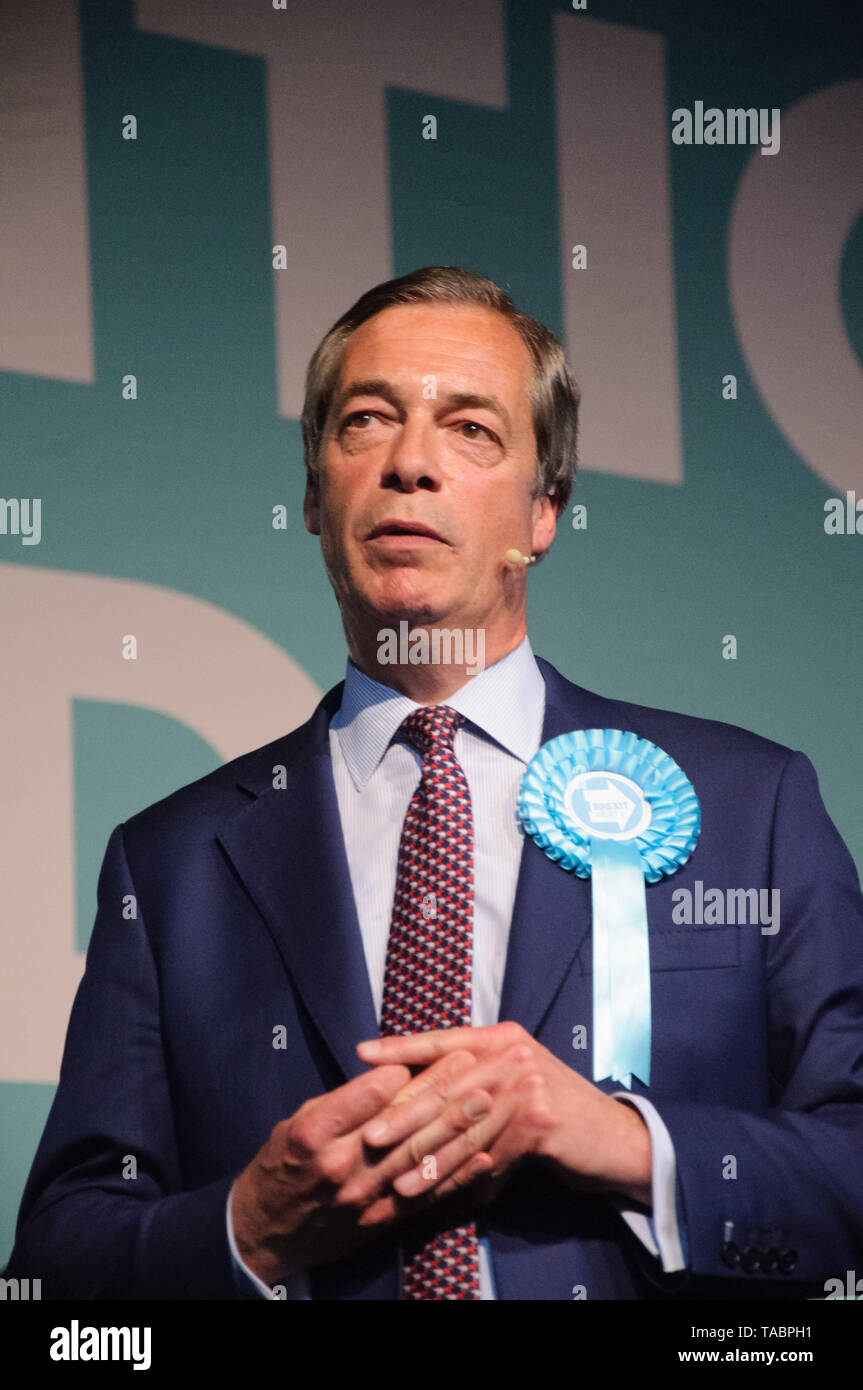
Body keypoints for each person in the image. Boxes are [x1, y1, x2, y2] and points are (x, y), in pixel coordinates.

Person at [7, 266, 863, 1300]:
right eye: (366, 421)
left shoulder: (749, 806)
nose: (409, 462)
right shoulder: (172, 860)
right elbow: (56, 1273)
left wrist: (621, 1138)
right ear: (315, 497)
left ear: (543, 510)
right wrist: (251, 1225)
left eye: (470, 429)